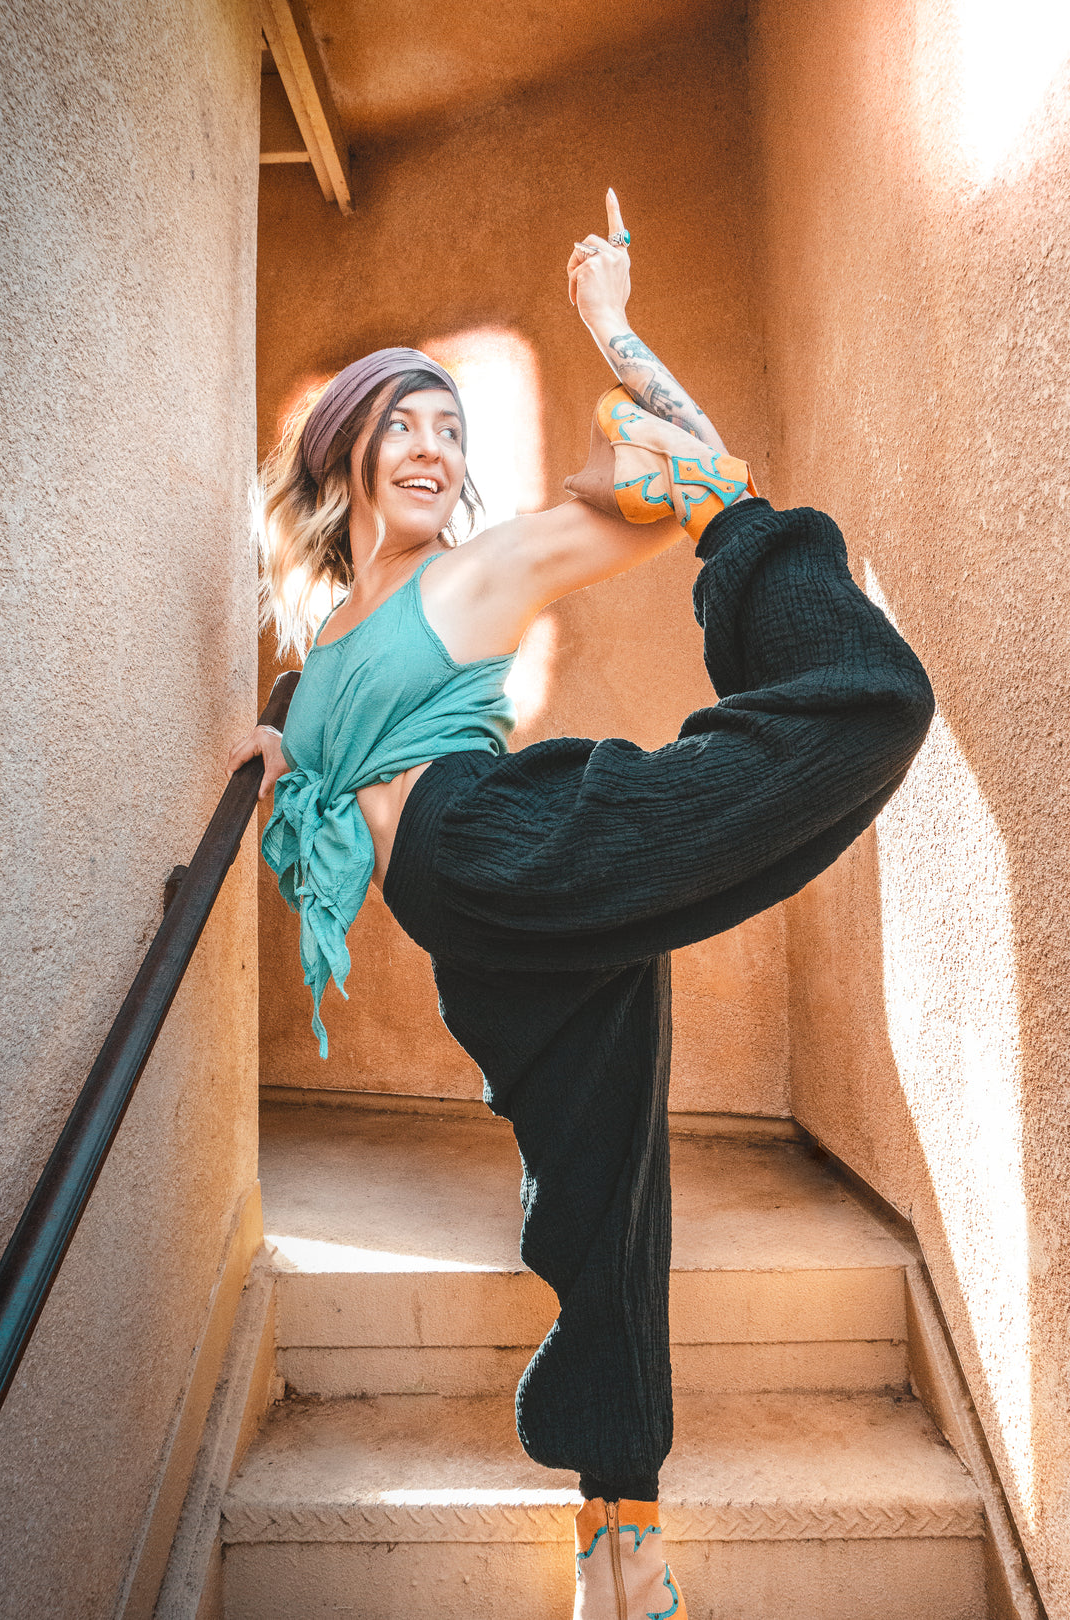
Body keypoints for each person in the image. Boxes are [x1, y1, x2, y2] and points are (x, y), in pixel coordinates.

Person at [227, 190, 935, 1620]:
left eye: (450, 429)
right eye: (405, 423)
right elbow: (310, 780)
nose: (433, 448)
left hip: (511, 845)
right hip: (490, 931)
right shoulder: (325, 641)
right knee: (598, 1197)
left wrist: (614, 338)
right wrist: (270, 750)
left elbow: (678, 475)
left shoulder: (481, 570)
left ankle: (632, 1554)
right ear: (345, 447)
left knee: (868, 704)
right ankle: (617, 1540)